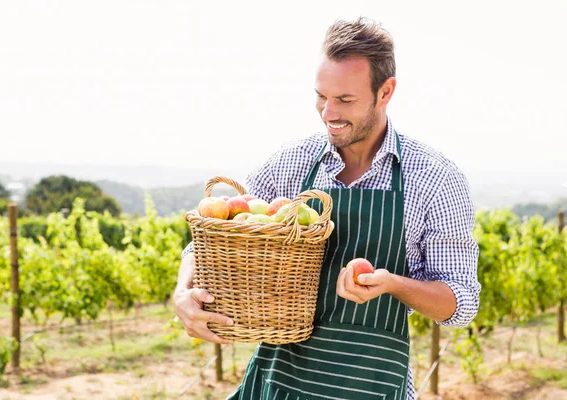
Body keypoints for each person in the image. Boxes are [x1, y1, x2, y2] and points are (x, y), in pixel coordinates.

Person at [174, 17, 481, 400]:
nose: (328, 113)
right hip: (280, 381)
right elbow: (219, 232)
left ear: (385, 92)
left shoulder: (434, 179)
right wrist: (182, 290)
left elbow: (461, 301)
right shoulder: (292, 164)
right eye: (321, 96)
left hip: (372, 385)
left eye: (345, 100)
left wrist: (393, 284)